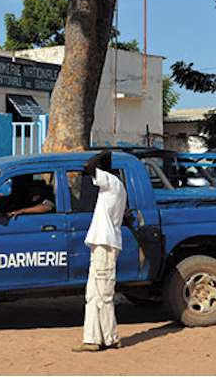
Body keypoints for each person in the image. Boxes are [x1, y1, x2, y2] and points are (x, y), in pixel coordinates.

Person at [73, 150, 127, 352]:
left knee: (103, 294)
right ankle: (93, 339)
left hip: (105, 244)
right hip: (101, 244)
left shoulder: (111, 182)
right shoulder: (112, 186)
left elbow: (87, 167)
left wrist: (104, 154)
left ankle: (111, 338)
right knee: (93, 294)